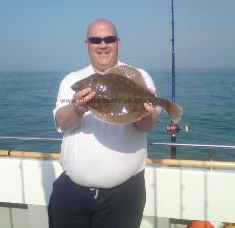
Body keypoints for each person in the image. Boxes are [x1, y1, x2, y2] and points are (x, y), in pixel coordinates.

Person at [48, 19, 159, 228]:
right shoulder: (72, 80)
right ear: (87, 44)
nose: (103, 44)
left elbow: (146, 125)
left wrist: (146, 112)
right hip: (71, 192)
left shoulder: (139, 77)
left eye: (109, 39)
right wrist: (76, 107)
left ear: (118, 42)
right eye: (95, 40)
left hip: (124, 194)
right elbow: (62, 122)